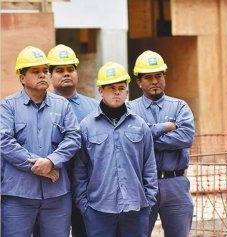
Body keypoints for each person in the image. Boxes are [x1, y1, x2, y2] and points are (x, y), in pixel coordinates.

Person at [0, 46, 81, 237]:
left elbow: (74, 138)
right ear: (22, 78)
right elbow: (4, 141)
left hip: (57, 197)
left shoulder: (62, 105)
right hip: (18, 195)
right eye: (35, 72)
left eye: (45, 70)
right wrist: (39, 166)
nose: (43, 75)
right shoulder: (8, 106)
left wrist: (51, 162)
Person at [73, 61, 158, 237]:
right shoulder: (86, 127)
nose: (117, 92)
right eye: (111, 88)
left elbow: (149, 166)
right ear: (101, 91)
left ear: (127, 90)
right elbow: (79, 170)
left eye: (121, 87)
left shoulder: (140, 125)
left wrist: (149, 201)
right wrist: (85, 206)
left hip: (136, 209)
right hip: (98, 210)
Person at [128, 50, 195, 237]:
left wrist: (147, 135)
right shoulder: (130, 110)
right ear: (139, 82)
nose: (155, 81)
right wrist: (165, 127)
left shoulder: (180, 106)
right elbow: (130, 140)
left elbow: (186, 137)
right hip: (141, 185)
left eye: (158, 76)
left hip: (175, 184)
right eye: (148, 77)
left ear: (165, 77)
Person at [47, 44, 98, 237]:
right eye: (59, 70)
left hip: (87, 187)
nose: (66, 74)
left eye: (70, 69)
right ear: (50, 75)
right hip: (54, 186)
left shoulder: (94, 108)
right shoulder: (40, 108)